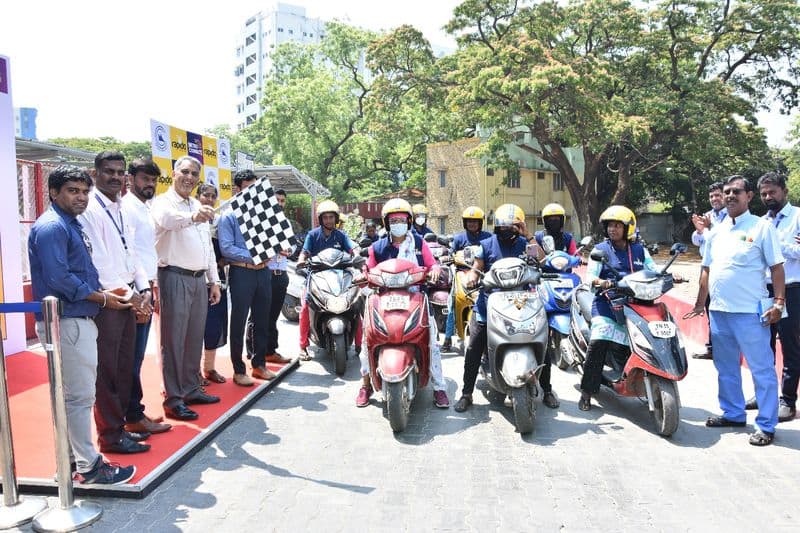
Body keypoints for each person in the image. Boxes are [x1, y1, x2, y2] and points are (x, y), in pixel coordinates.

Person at [29, 165, 135, 484]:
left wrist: (99, 294)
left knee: (72, 396)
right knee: (78, 398)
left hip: (75, 317)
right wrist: (101, 299)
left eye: (85, 191)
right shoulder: (52, 227)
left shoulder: (69, 224)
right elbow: (59, 277)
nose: (82, 197)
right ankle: (89, 467)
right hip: (69, 319)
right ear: (53, 193)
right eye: (73, 191)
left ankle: (73, 461)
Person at [684, 175, 784, 446]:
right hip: (719, 312)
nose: (729, 196)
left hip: (751, 313)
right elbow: (706, 268)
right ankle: (733, 413)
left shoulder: (762, 227)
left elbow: (776, 268)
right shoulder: (715, 230)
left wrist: (779, 302)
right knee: (725, 367)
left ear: (749, 196)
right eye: (726, 191)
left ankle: (766, 424)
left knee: (761, 368)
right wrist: (698, 303)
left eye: (736, 191)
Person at [79, 151, 152, 454]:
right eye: (108, 171)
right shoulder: (89, 209)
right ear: (95, 174)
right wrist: (130, 294)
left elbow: (130, 252)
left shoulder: (121, 207)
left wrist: (144, 289)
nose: (115, 177)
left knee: (125, 368)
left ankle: (120, 427)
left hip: (128, 298)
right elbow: (99, 263)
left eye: (119, 172)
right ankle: (109, 437)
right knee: (107, 371)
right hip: (109, 303)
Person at [455, 204, 558, 412]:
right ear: (496, 227)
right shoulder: (486, 244)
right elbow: (477, 268)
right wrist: (472, 278)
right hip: (489, 304)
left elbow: (541, 260)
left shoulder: (525, 243)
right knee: (474, 344)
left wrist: (528, 235)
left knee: (542, 341)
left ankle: (547, 390)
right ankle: (466, 393)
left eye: (512, 227)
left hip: (522, 304)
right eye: (502, 227)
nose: (506, 230)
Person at [356, 198, 449, 408]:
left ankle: (439, 387)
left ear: (409, 221)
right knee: (367, 341)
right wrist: (362, 275)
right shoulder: (378, 247)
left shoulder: (418, 243)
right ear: (387, 223)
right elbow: (368, 269)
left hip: (415, 297)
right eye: (394, 219)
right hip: (383, 299)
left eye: (402, 219)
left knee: (432, 342)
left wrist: (433, 270)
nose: (398, 222)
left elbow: (431, 263)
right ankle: (365, 384)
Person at [151, 156, 222, 421]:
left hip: (198, 280)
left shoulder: (197, 204)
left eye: (194, 173)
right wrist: (193, 216)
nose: (189, 177)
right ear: (173, 173)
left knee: (193, 338)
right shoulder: (163, 202)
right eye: (185, 171)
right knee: (172, 341)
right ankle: (173, 398)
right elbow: (168, 221)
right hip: (173, 276)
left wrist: (213, 280)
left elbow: (207, 249)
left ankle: (192, 388)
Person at [577, 206, 659, 412]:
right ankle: (587, 392)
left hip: (636, 304)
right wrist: (600, 282)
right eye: (609, 226)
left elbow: (653, 270)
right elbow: (590, 277)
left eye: (617, 225)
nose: (612, 229)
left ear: (628, 228)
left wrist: (670, 275)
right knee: (598, 342)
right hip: (607, 304)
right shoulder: (601, 250)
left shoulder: (640, 250)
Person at [121, 157, 172, 436]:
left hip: (145, 287)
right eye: (144, 178)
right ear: (131, 179)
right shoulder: (127, 208)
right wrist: (140, 293)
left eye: (153, 180)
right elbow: (130, 254)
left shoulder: (144, 207)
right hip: (134, 291)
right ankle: (132, 416)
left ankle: (134, 412)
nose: (149, 184)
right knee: (131, 358)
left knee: (136, 358)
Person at [218, 170, 275, 386]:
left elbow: (271, 242)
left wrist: (274, 250)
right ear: (237, 189)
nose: (254, 192)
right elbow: (227, 248)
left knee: (262, 319)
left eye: (256, 187)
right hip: (241, 272)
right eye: (249, 187)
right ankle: (238, 369)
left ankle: (259, 364)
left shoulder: (261, 215)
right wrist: (254, 256)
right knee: (239, 321)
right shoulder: (228, 216)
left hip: (263, 272)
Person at [757, 172, 799, 422]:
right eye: (764, 194)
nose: (768, 197)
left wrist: (777, 246)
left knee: (791, 345)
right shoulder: (762, 221)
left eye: (772, 192)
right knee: (764, 345)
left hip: (792, 290)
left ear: (784, 191)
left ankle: (788, 400)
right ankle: (766, 396)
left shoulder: (798, 216)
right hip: (765, 290)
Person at [296, 200, 357, 361]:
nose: (328, 220)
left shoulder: (341, 235)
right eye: (325, 217)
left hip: (339, 277)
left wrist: (357, 256)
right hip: (316, 276)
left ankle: (359, 344)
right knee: (304, 307)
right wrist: (301, 260)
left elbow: (352, 249)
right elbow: (305, 252)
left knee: (357, 303)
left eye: (331, 217)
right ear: (320, 219)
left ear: (336, 218)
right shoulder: (313, 235)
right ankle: (303, 346)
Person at [441, 206, 491, 352]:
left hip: (482, 275)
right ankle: (448, 339)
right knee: (452, 304)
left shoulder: (488, 237)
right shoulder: (459, 238)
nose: (472, 224)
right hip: (462, 274)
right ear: (465, 222)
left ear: (480, 223)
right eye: (469, 221)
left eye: (475, 221)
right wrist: (448, 257)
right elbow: (451, 253)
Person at [196, 183, 229, 385]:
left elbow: (226, 250)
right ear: (197, 197)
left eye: (212, 196)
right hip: (194, 279)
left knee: (214, 325)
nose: (208, 199)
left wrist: (222, 261)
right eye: (205, 195)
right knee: (194, 329)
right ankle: (194, 373)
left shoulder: (220, 223)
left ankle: (209, 369)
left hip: (217, 281)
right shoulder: (190, 219)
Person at [690, 182, 727, 360]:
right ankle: (712, 348)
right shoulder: (707, 216)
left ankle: (726, 348)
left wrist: (709, 228)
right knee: (710, 308)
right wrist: (699, 230)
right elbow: (697, 241)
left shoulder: (731, 216)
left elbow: (723, 238)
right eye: (712, 196)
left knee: (724, 310)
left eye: (718, 195)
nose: (715, 199)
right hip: (706, 268)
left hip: (724, 270)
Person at [264, 188, 293, 366]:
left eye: (282, 201)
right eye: (277, 200)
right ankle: (255, 353)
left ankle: (270, 351)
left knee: (273, 317)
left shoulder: (287, 223)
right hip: (264, 274)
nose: (280, 203)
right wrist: (276, 249)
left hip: (281, 274)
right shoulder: (262, 221)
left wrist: (289, 250)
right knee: (259, 317)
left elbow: (292, 247)